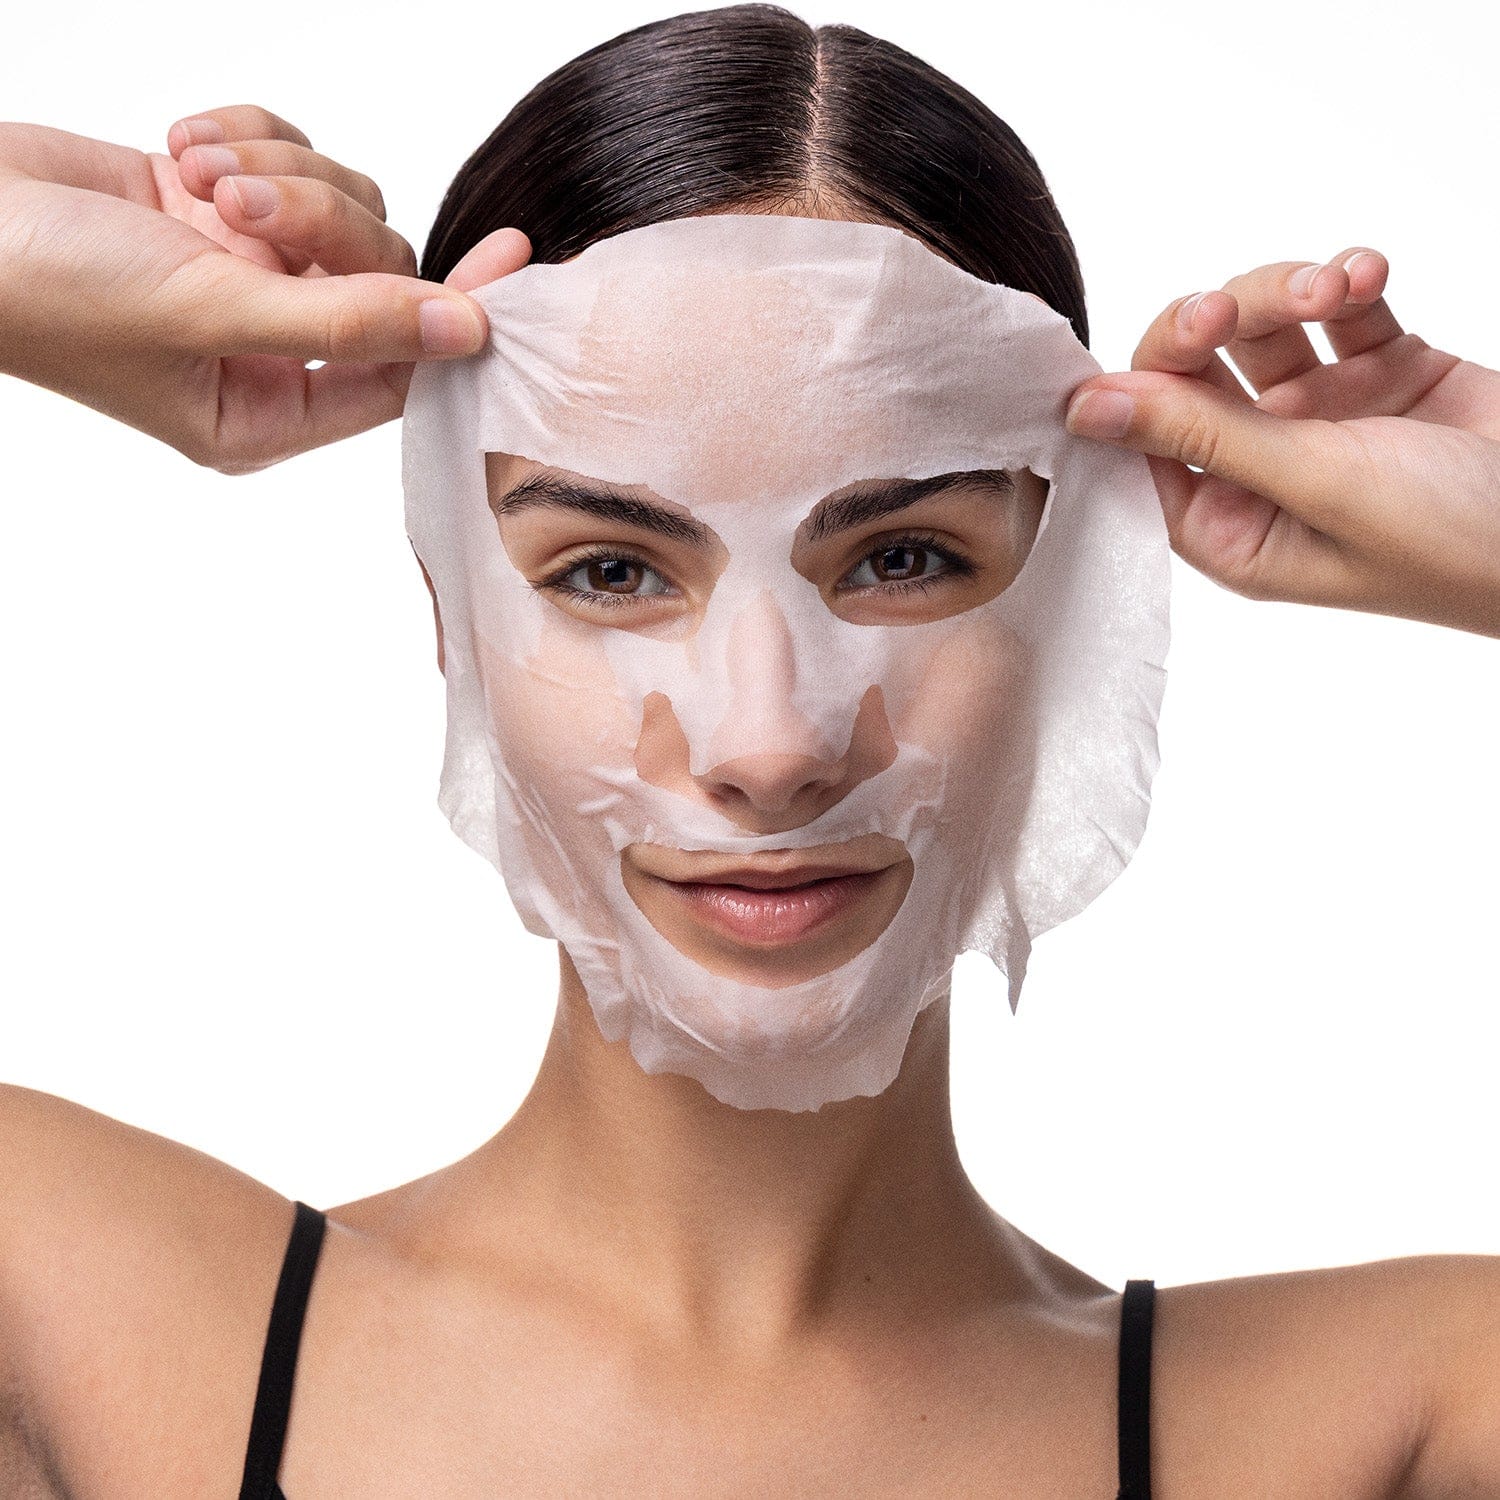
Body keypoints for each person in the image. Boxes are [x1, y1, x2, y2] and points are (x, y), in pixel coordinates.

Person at [0, 6, 1496, 1497]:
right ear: (449, 616)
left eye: (903, 559)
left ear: (1071, 606)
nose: (770, 748)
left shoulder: (1391, 1416)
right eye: (609, 572)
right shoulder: (86, 1313)